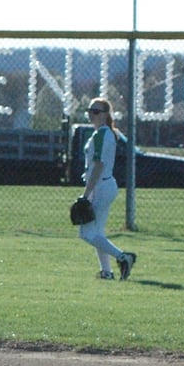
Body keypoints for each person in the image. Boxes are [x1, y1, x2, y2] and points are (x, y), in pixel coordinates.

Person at [79, 98, 137, 280]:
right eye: (90, 110)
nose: (91, 114)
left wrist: (86, 194)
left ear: (105, 115)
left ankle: (123, 257)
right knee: (97, 233)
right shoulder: (102, 133)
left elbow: (98, 166)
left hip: (101, 186)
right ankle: (107, 272)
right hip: (103, 184)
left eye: (96, 111)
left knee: (86, 234)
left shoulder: (103, 134)